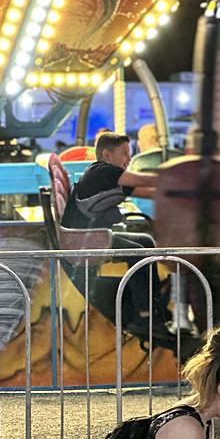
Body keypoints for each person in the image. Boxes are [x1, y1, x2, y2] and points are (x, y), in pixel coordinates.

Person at [62, 132, 165, 329]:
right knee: (137, 252)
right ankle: (144, 314)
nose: (129, 159)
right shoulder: (103, 172)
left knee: (145, 241)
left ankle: (154, 304)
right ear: (107, 155)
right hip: (83, 240)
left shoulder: (111, 178)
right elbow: (145, 181)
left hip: (92, 235)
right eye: (124, 153)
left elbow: (152, 192)